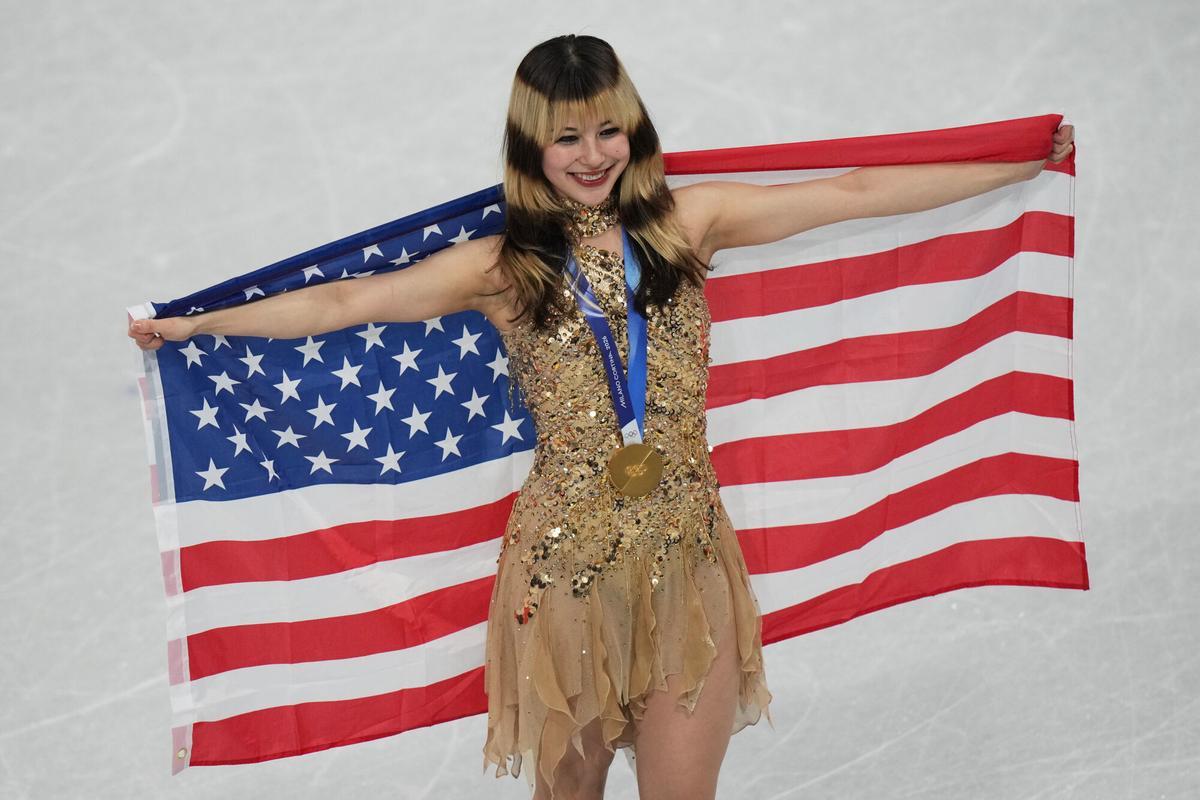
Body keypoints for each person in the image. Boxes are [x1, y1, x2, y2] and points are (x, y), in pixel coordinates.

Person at [129, 33, 1074, 800]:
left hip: (690, 565)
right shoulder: (504, 268)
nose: (593, 156)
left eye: (609, 131)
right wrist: (198, 325)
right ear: (530, 149)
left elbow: (851, 194)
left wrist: (1017, 161)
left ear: (635, 129)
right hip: (565, 578)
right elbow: (347, 302)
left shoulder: (689, 225)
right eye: (568, 138)